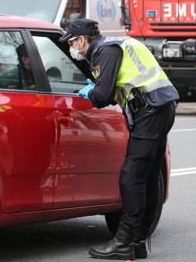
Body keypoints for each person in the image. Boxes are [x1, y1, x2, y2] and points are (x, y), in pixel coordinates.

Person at [59, 18, 179, 260]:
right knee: (146, 176)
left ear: (83, 40)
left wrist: (90, 92)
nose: (72, 48)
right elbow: (120, 88)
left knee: (131, 176)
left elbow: (102, 97)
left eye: (72, 43)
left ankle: (124, 241)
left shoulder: (105, 51)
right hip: (160, 107)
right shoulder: (116, 45)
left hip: (150, 110)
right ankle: (137, 242)